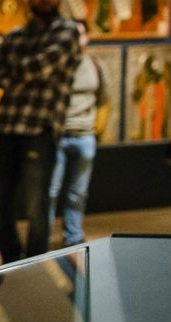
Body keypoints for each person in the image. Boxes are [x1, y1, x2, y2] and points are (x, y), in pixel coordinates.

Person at [0, 0, 81, 264]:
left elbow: (43, 66)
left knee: (37, 207)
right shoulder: (15, 35)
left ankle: (33, 267)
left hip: (40, 130)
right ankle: (11, 263)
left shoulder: (67, 31)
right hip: (6, 128)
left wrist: (14, 76)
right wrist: (30, 77)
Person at [49, 19, 110, 247]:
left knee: (78, 193)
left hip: (84, 136)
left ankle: (73, 237)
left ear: (87, 38)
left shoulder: (95, 65)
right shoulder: (54, 65)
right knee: (50, 192)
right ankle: (41, 239)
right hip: (57, 136)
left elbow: (104, 99)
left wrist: (97, 130)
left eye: (80, 34)